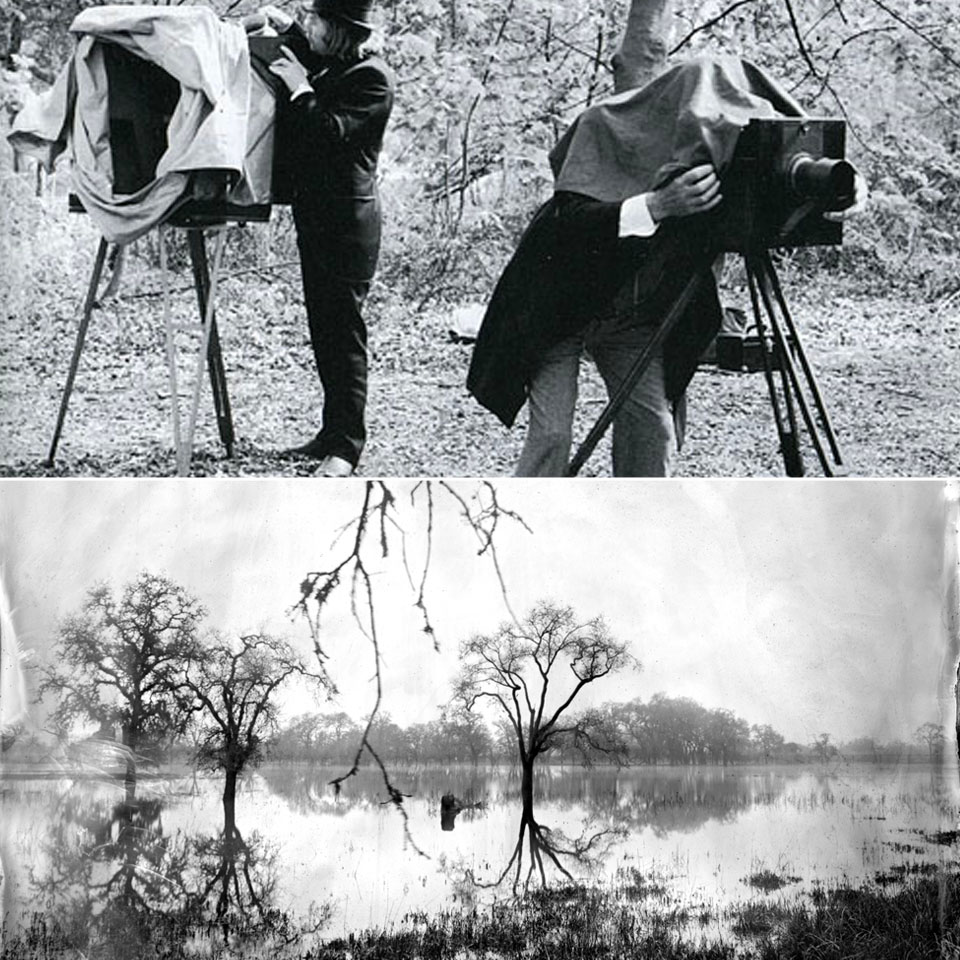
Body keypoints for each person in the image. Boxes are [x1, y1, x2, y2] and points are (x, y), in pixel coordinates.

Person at [261, 0, 394, 477]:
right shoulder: (336, 63)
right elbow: (306, 52)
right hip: (318, 219)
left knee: (344, 336)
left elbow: (331, 133)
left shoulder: (371, 78)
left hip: (348, 228)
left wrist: (300, 89)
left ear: (338, 31)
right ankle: (330, 433)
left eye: (317, 21)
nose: (310, 27)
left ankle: (347, 448)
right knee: (325, 331)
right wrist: (285, 24)